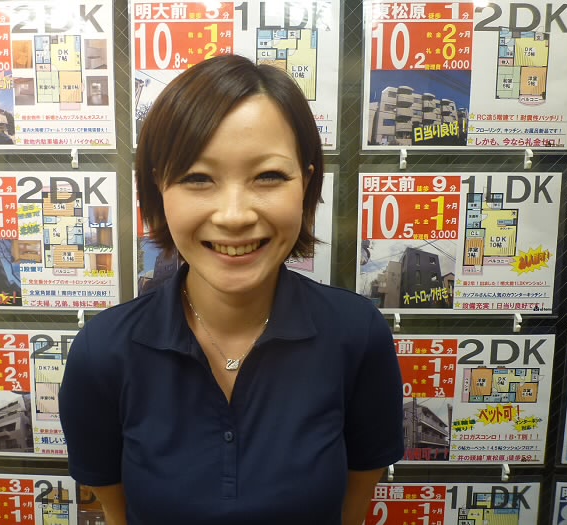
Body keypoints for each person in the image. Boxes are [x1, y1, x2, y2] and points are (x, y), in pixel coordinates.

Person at [59, 54, 404, 525]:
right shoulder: (102, 353)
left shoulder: (357, 335)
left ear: (306, 182)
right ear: (159, 188)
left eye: (268, 176)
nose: (235, 215)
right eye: (197, 179)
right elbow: (116, 510)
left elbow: (355, 503)